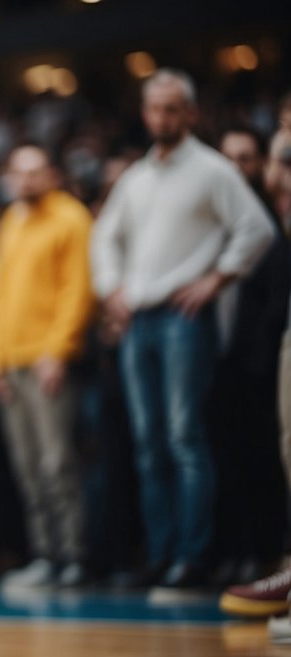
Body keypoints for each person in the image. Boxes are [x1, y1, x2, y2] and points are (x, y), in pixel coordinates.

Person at [92, 70, 275, 588]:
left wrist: (216, 279)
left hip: (182, 318)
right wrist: (112, 289)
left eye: (173, 108)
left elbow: (257, 228)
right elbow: (104, 238)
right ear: (145, 112)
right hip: (139, 317)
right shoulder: (137, 177)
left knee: (183, 437)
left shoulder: (213, 170)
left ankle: (193, 556)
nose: (162, 118)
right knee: (149, 444)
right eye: (154, 108)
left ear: (190, 113)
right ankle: (162, 552)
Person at [0, 145, 97, 588]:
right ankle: (45, 556)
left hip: (47, 360)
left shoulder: (71, 218)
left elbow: (78, 290)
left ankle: (74, 556)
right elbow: (0, 294)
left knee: (57, 464)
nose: (27, 180)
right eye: (19, 172)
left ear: (51, 173)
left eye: (35, 171)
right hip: (11, 363)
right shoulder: (13, 219)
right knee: (28, 466)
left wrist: (58, 350)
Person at [209, 127, 291, 585]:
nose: (238, 167)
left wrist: (259, 361)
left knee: (268, 462)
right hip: (218, 362)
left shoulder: (269, 218)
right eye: (230, 157)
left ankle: (268, 554)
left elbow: (274, 300)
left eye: (247, 158)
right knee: (228, 463)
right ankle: (237, 553)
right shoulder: (211, 220)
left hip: (261, 362)